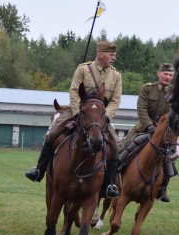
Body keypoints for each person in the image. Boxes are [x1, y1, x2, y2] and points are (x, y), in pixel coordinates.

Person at [25, 41, 122, 198]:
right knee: (52, 133)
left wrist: (105, 116)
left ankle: (109, 185)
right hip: (78, 110)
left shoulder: (116, 75)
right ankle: (39, 170)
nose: (114, 58)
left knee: (115, 145)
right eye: (111, 55)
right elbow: (74, 91)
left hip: (100, 115)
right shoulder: (83, 69)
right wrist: (78, 112)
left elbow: (116, 100)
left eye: (114, 55)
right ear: (100, 54)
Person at [123, 63, 176, 202]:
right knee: (124, 150)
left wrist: (160, 129)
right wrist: (149, 126)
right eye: (165, 74)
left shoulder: (174, 93)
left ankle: (162, 189)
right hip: (143, 128)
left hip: (162, 132)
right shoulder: (147, 88)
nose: (167, 77)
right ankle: (114, 181)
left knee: (169, 161)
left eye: (170, 75)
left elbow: (173, 113)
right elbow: (141, 109)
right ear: (158, 74)